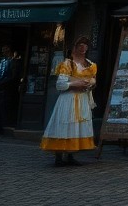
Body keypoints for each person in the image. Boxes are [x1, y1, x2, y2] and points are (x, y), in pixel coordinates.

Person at [40, 36, 97, 166]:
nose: (83, 48)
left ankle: (71, 154)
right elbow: (60, 85)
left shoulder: (90, 64)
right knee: (64, 123)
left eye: (85, 45)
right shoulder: (68, 64)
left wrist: (90, 84)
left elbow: (93, 80)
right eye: (80, 45)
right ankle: (59, 156)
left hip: (82, 98)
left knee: (76, 126)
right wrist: (74, 84)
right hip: (68, 99)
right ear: (74, 48)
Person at [0, 44, 21, 132]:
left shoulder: (14, 61)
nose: (3, 51)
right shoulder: (0, 60)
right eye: (2, 49)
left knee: (5, 106)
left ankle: (5, 124)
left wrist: (1, 83)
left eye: (5, 49)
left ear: (9, 50)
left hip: (7, 88)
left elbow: (13, 76)